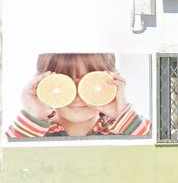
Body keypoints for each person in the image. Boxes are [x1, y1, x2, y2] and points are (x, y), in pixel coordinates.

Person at [6, 53, 151, 139]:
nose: (77, 95)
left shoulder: (125, 128)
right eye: (64, 83)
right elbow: (7, 162)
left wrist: (122, 114)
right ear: (42, 85)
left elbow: (156, 155)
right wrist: (35, 114)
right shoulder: (31, 130)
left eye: (88, 82)